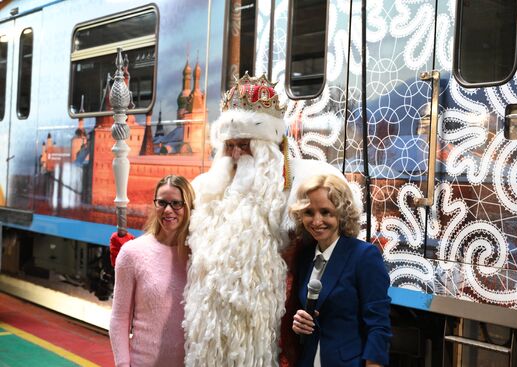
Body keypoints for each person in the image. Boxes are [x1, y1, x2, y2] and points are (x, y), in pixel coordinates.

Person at [183, 73, 358, 367]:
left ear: (267, 145)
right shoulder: (207, 188)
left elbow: (341, 253)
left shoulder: (305, 181)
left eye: (244, 144)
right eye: (229, 144)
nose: (236, 153)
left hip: (278, 333)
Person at [290, 174, 391, 367]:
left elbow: (378, 326)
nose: (317, 220)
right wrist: (299, 324)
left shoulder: (364, 256)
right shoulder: (304, 257)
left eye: (326, 212)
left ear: (341, 213)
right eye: (309, 212)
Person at [109, 174, 195, 367]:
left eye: (176, 204)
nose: (168, 210)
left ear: (188, 206)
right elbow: (119, 318)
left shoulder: (200, 256)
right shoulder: (132, 253)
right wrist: (123, 365)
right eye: (162, 202)